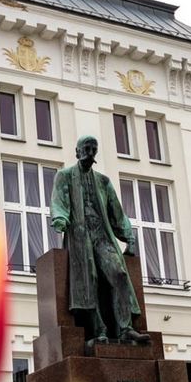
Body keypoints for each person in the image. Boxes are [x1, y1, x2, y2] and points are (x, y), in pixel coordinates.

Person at [49, 135, 151, 344]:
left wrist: (128, 237)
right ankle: (99, 329)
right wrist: (60, 218)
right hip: (80, 238)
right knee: (90, 279)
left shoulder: (103, 181)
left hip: (102, 236)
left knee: (120, 274)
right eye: (86, 148)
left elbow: (117, 212)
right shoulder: (65, 176)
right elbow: (59, 201)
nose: (90, 152)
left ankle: (125, 328)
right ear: (77, 151)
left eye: (93, 149)